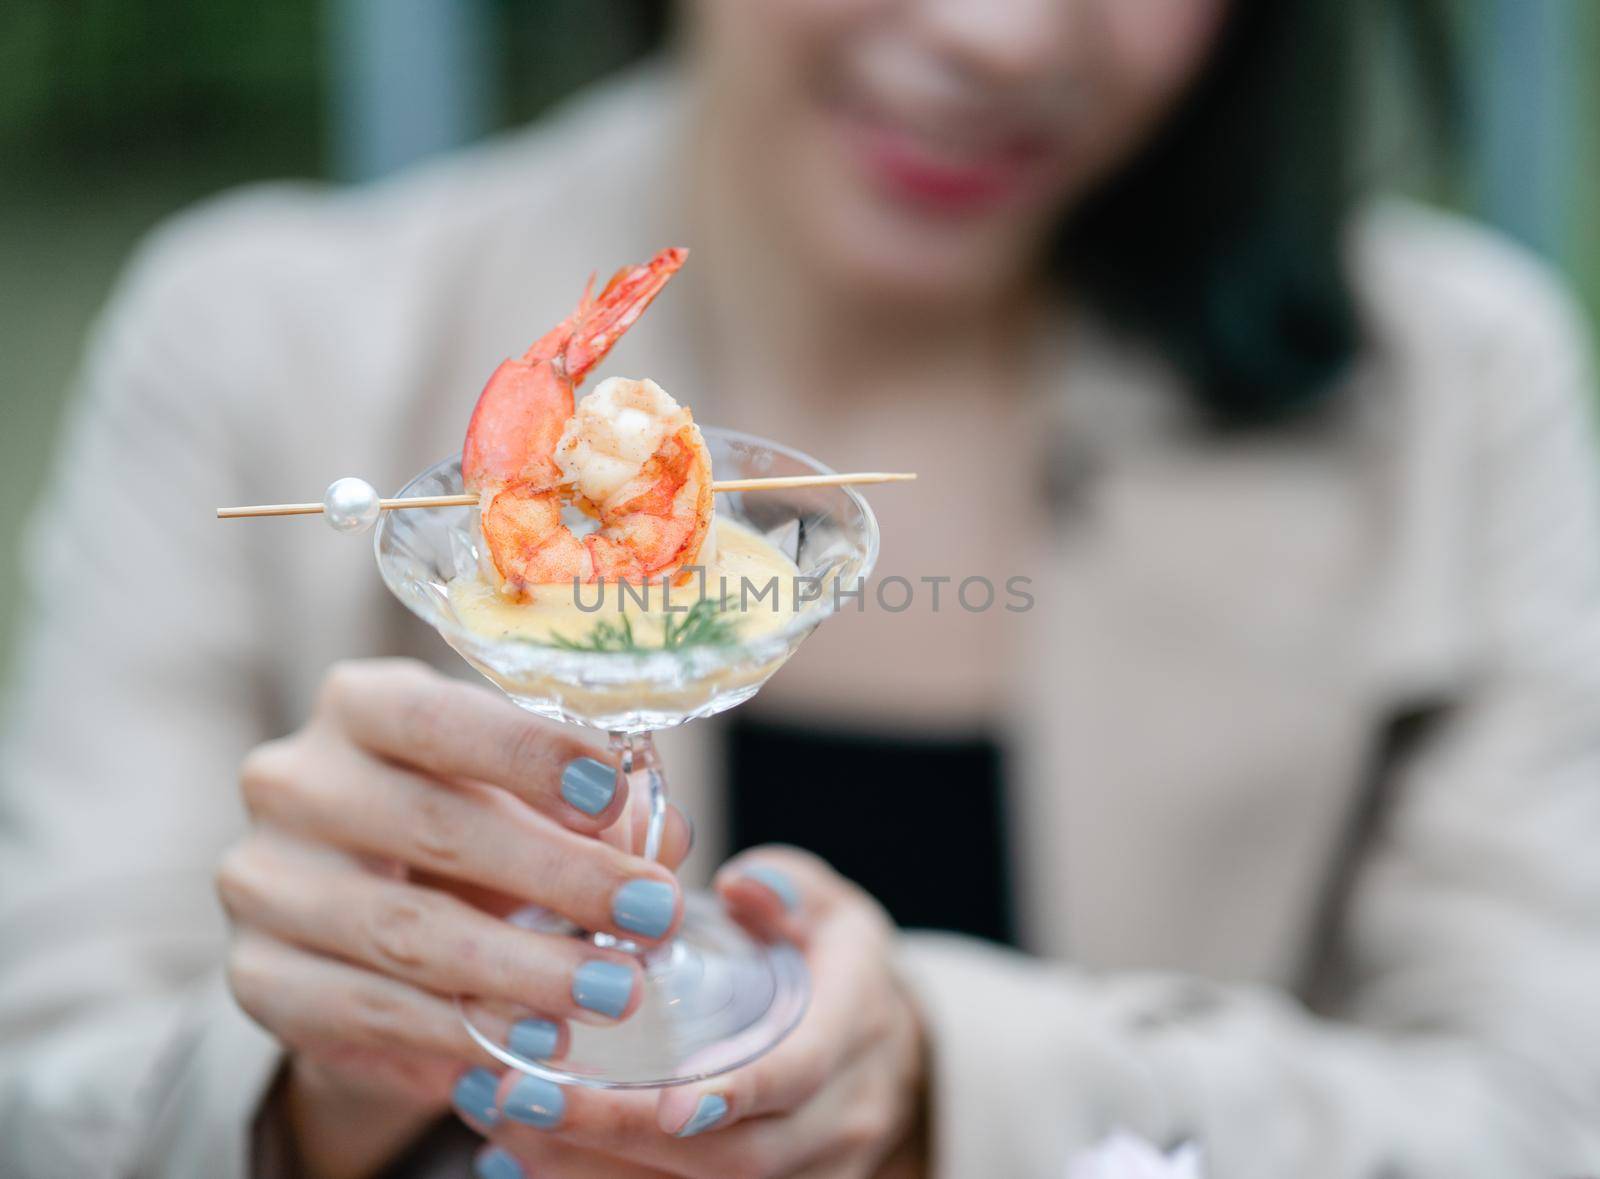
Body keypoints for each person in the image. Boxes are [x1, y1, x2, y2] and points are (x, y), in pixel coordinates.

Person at [4, 0, 1600, 1176]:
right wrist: (318, 1085)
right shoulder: (251, 341)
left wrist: (946, 1094)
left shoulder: (1457, 386)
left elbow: (1546, 1117)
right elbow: (41, 1095)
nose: (999, 34)